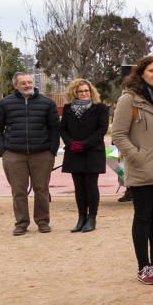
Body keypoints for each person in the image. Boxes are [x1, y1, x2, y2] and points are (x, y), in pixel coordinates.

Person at [111, 56, 153, 285]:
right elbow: (118, 134)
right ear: (141, 73)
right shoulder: (129, 100)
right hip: (141, 170)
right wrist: (137, 157)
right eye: (152, 70)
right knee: (143, 217)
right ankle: (143, 266)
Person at [0, 72, 61, 236]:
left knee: (41, 189)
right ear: (15, 85)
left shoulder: (47, 103)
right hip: (14, 155)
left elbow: (55, 128)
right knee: (18, 191)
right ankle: (21, 223)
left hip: (42, 153)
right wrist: (2, 150)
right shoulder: (4, 104)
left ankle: (43, 221)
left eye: (30, 82)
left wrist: (52, 150)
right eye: (23, 83)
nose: (28, 85)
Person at [60, 79, 108, 233]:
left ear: (91, 91)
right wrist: (70, 143)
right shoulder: (68, 109)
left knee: (91, 186)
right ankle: (81, 218)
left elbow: (101, 129)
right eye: (81, 91)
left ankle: (92, 218)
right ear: (75, 92)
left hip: (93, 151)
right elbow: (63, 129)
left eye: (87, 90)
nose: (84, 93)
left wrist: (84, 144)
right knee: (79, 187)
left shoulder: (100, 108)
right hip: (74, 152)